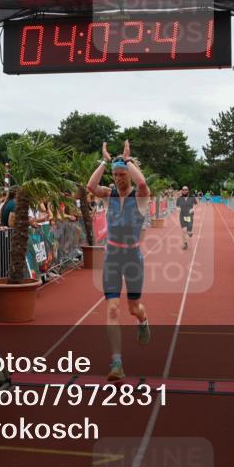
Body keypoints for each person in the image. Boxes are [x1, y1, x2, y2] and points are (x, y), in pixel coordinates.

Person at [87, 140, 151, 381]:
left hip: (133, 257)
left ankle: (143, 320)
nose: (118, 179)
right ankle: (116, 363)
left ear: (129, 175)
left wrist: (128, 159)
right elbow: (91, 186)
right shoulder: (108, 194)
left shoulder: (140, 196)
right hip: (113, 256)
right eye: (115, 175)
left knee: (133, 308)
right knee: (113, 308)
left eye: (122, 174)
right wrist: (105, 160)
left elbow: (143, 182)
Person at [176, 185, 197, 250]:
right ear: (182, 191)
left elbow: (196, 204)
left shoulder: (192, 197)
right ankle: (185, 244)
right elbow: (177, 206)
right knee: (183, 230)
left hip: (189, 215)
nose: (184, 191)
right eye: (183, 190)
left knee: (188, 231)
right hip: (182, 216)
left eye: (186, 190)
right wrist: (178, 209)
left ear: (188, 191)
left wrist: (193, 209)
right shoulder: (179, 198)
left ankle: (190, 232)